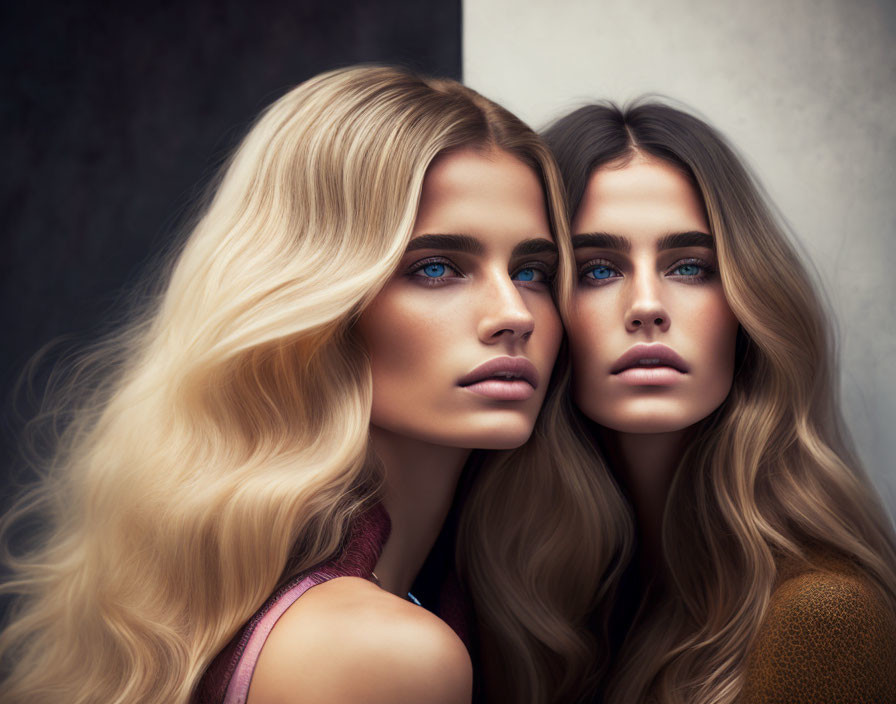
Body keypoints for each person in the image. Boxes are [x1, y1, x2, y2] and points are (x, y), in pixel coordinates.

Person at [0, 67, 628, 704]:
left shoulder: (269, 597)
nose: (515, 315)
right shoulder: (378, 654)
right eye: (437, 267)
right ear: (319, 300)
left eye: (533, 271)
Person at [542, 102, 896, 704]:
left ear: (746, 303)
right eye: (598, 269)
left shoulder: (823, 620)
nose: (647, 305)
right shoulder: (541, 599)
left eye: (689, 266)